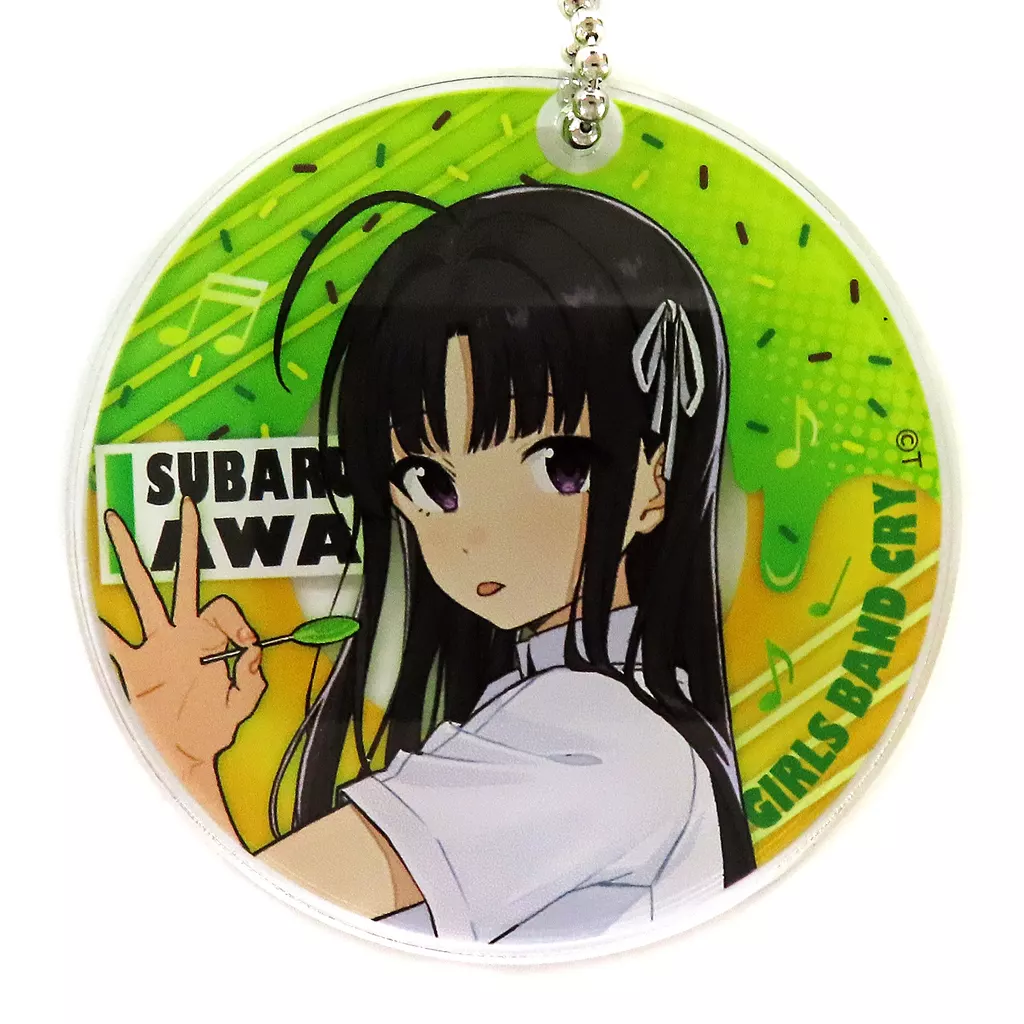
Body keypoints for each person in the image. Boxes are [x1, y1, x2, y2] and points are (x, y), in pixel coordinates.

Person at [101, 185, 756, 946]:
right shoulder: (588, 707)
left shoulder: (591, 731)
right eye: (431, 482)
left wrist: (182, 753)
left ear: (656, 476)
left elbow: (250, 922)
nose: (476, 535)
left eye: (558, 465)